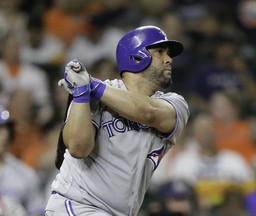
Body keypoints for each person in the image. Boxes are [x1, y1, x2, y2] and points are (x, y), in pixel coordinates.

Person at [45, 25, 190, 216]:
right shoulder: (92, 92)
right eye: (160, 52)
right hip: (77, 206)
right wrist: (81, 94)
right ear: (136, 57)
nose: (169, 59)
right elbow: (78, 148)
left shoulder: (174, 104)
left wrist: (91, 85)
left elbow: (150, 113)